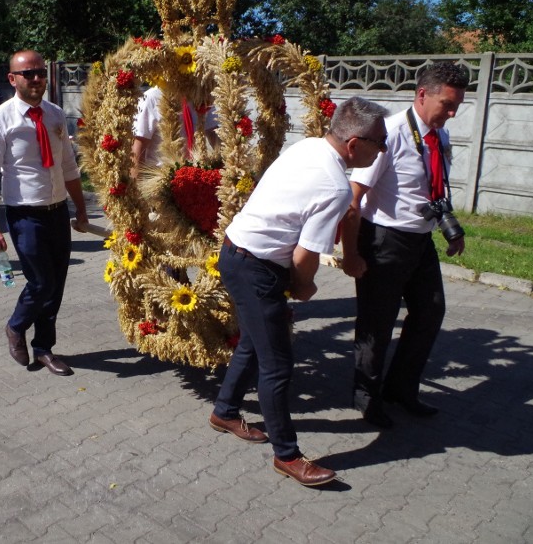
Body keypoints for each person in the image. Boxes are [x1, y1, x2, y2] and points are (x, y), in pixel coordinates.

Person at [210, 97, 389, 487]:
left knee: (254, 345)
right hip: (256, 267)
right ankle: (287, 455)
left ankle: (224, 411)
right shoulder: (335, 186)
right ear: (355, 144)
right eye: (381, 142)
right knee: (277, 365)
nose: (385, 149)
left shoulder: (309, 146)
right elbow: (305, 255)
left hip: (236, 253)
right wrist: (303, 286)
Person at [341, 63, 470, 429]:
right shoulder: (390, 134)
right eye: (446, 104)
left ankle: (401, 389)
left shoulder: (440, 137)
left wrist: (452, 228)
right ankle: (367, 398)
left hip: (420, 238)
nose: (452, 112)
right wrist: (351, 253)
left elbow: (435, 185)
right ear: (422, 94)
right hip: (383, 240)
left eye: (457, 105)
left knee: (430, 312)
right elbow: (355, 195)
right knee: (377, 323)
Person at [0, 49, 89, 377]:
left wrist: (81, 210)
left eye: (40, 72)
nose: (37, 78)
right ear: (13, 79)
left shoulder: (55, 114)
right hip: (25, 215)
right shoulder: (0, 119)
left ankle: (43, 348)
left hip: (57, 212)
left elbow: (69, 167)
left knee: (56, 286)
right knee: (41, 283)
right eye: (29, 74)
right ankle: (16, 326)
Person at [132, 85, 218, 176]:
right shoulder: (151, 98)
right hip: (161, 177)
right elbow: (137, 149)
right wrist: (135, 187)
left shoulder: (201, 97)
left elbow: (215, 135)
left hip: (193, 174)